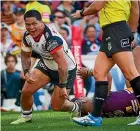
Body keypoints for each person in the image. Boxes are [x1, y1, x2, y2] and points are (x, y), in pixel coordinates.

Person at [72, 1, 140, 126]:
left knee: (131, 73)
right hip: (116, 31)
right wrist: (131, 33)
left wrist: (81, 12)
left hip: (115, 31)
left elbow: (97, 6)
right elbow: (135, 10)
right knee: (99, 73)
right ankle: (95, 117)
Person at [10, 10, 79, 124]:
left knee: (56, 106)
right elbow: (25, 54)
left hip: (66, 70)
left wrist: (62, 86)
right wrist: (27, 71)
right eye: (28, 24)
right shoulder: (27, 36)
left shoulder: (51, 38)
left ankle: (76, 106)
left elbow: (62, 65)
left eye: (34, 23)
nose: (31, 27)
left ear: (41, 22)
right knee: (26, 91)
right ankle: (26, 116)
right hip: (47, 64)